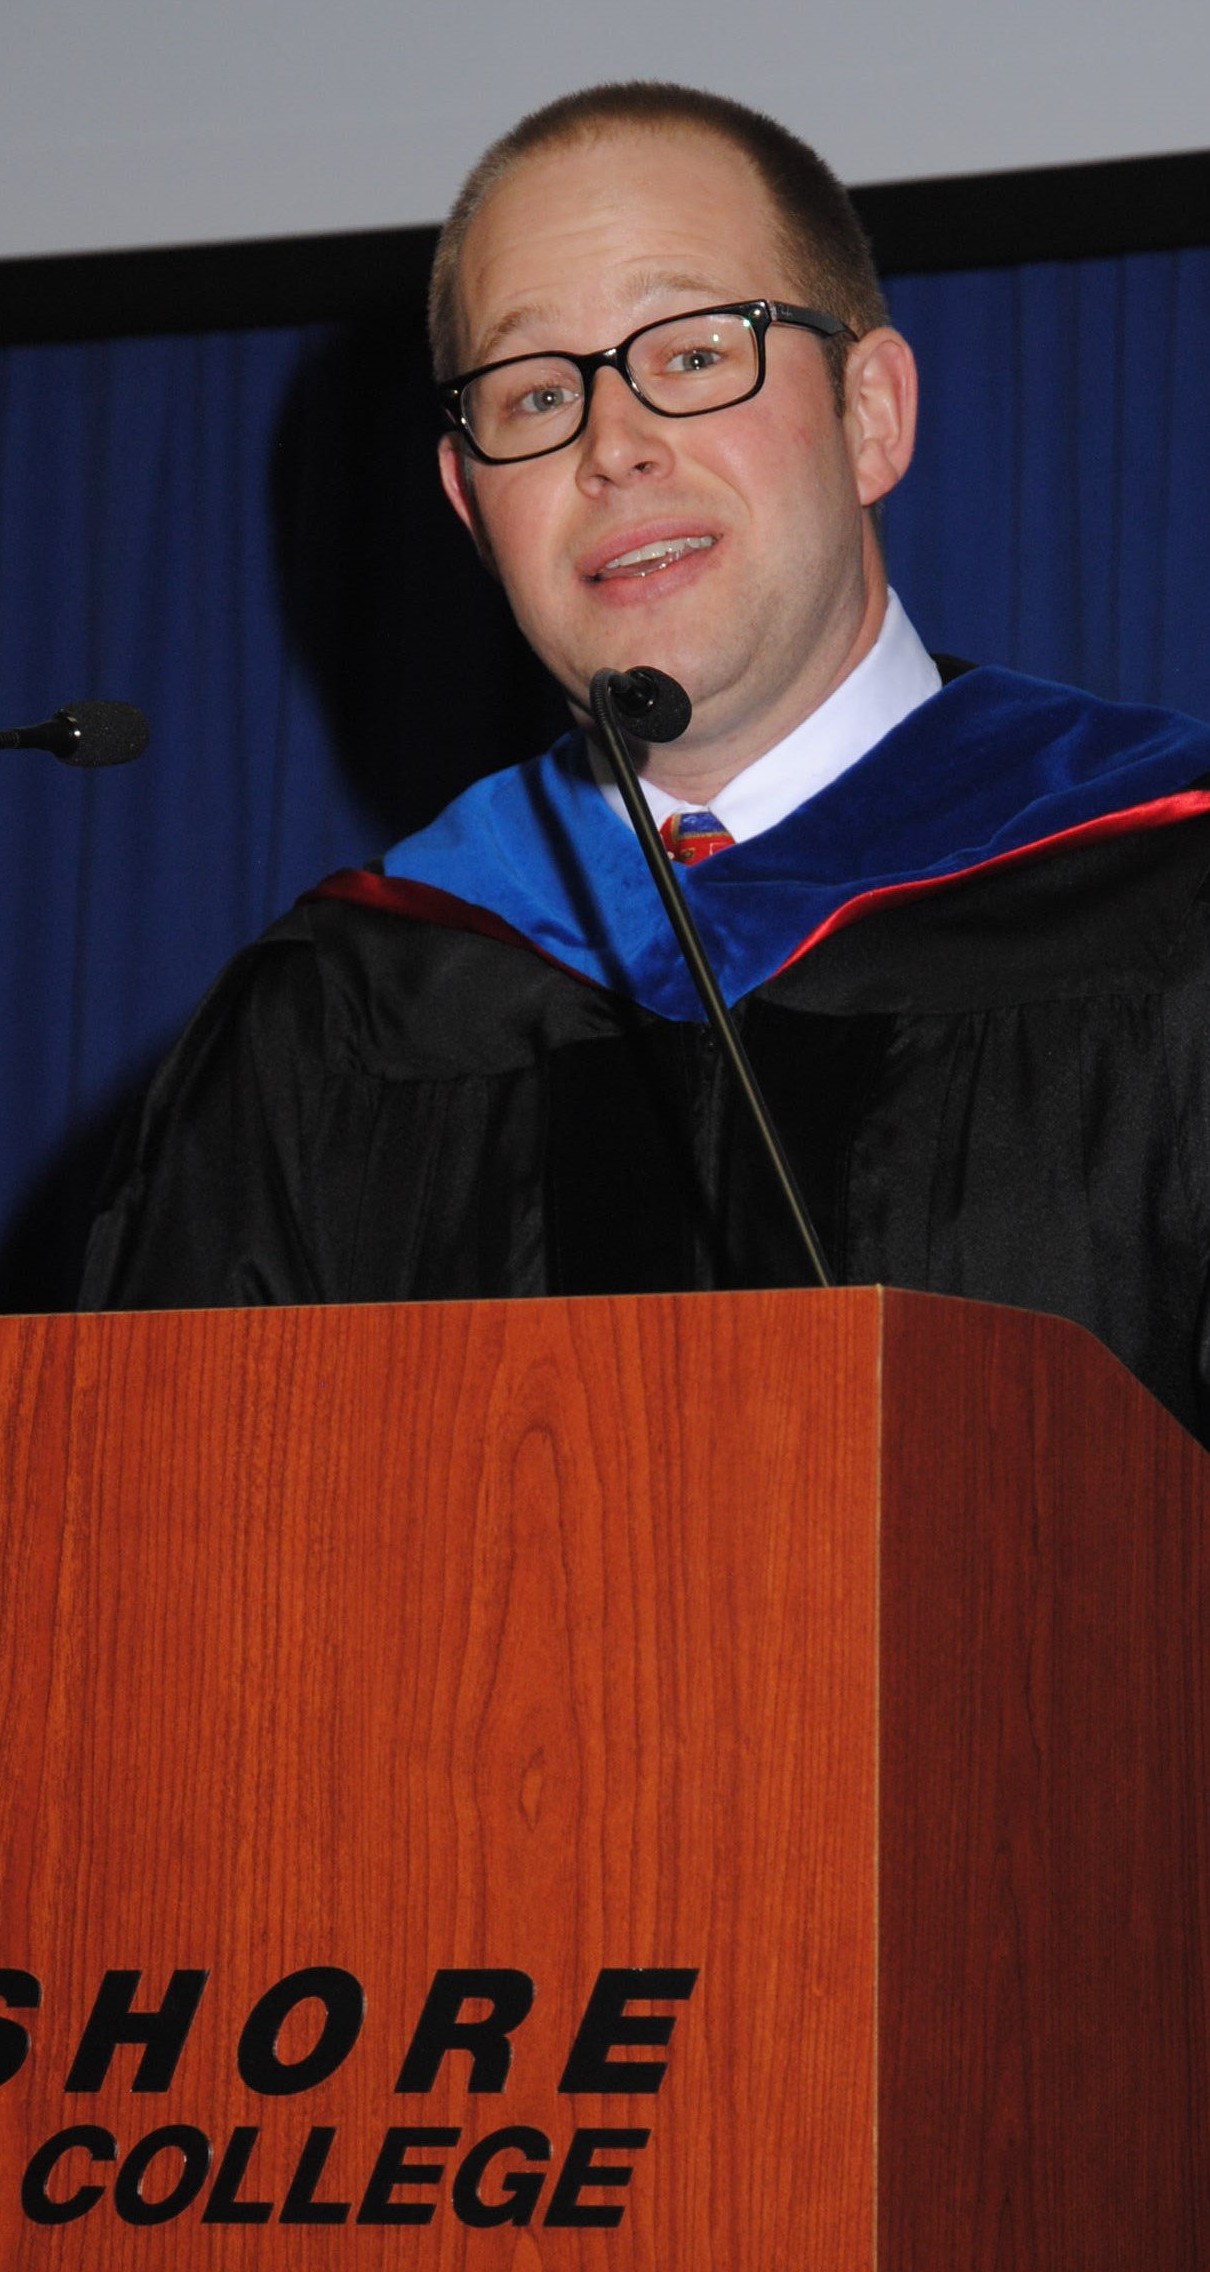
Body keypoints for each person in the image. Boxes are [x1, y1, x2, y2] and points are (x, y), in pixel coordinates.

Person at [81, 82, 1210, 1443]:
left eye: (689, 355)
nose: (611, 445)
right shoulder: (344, 1015)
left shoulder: (1165, 886)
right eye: (534, 392)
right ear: (466, 503)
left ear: (869, 415)